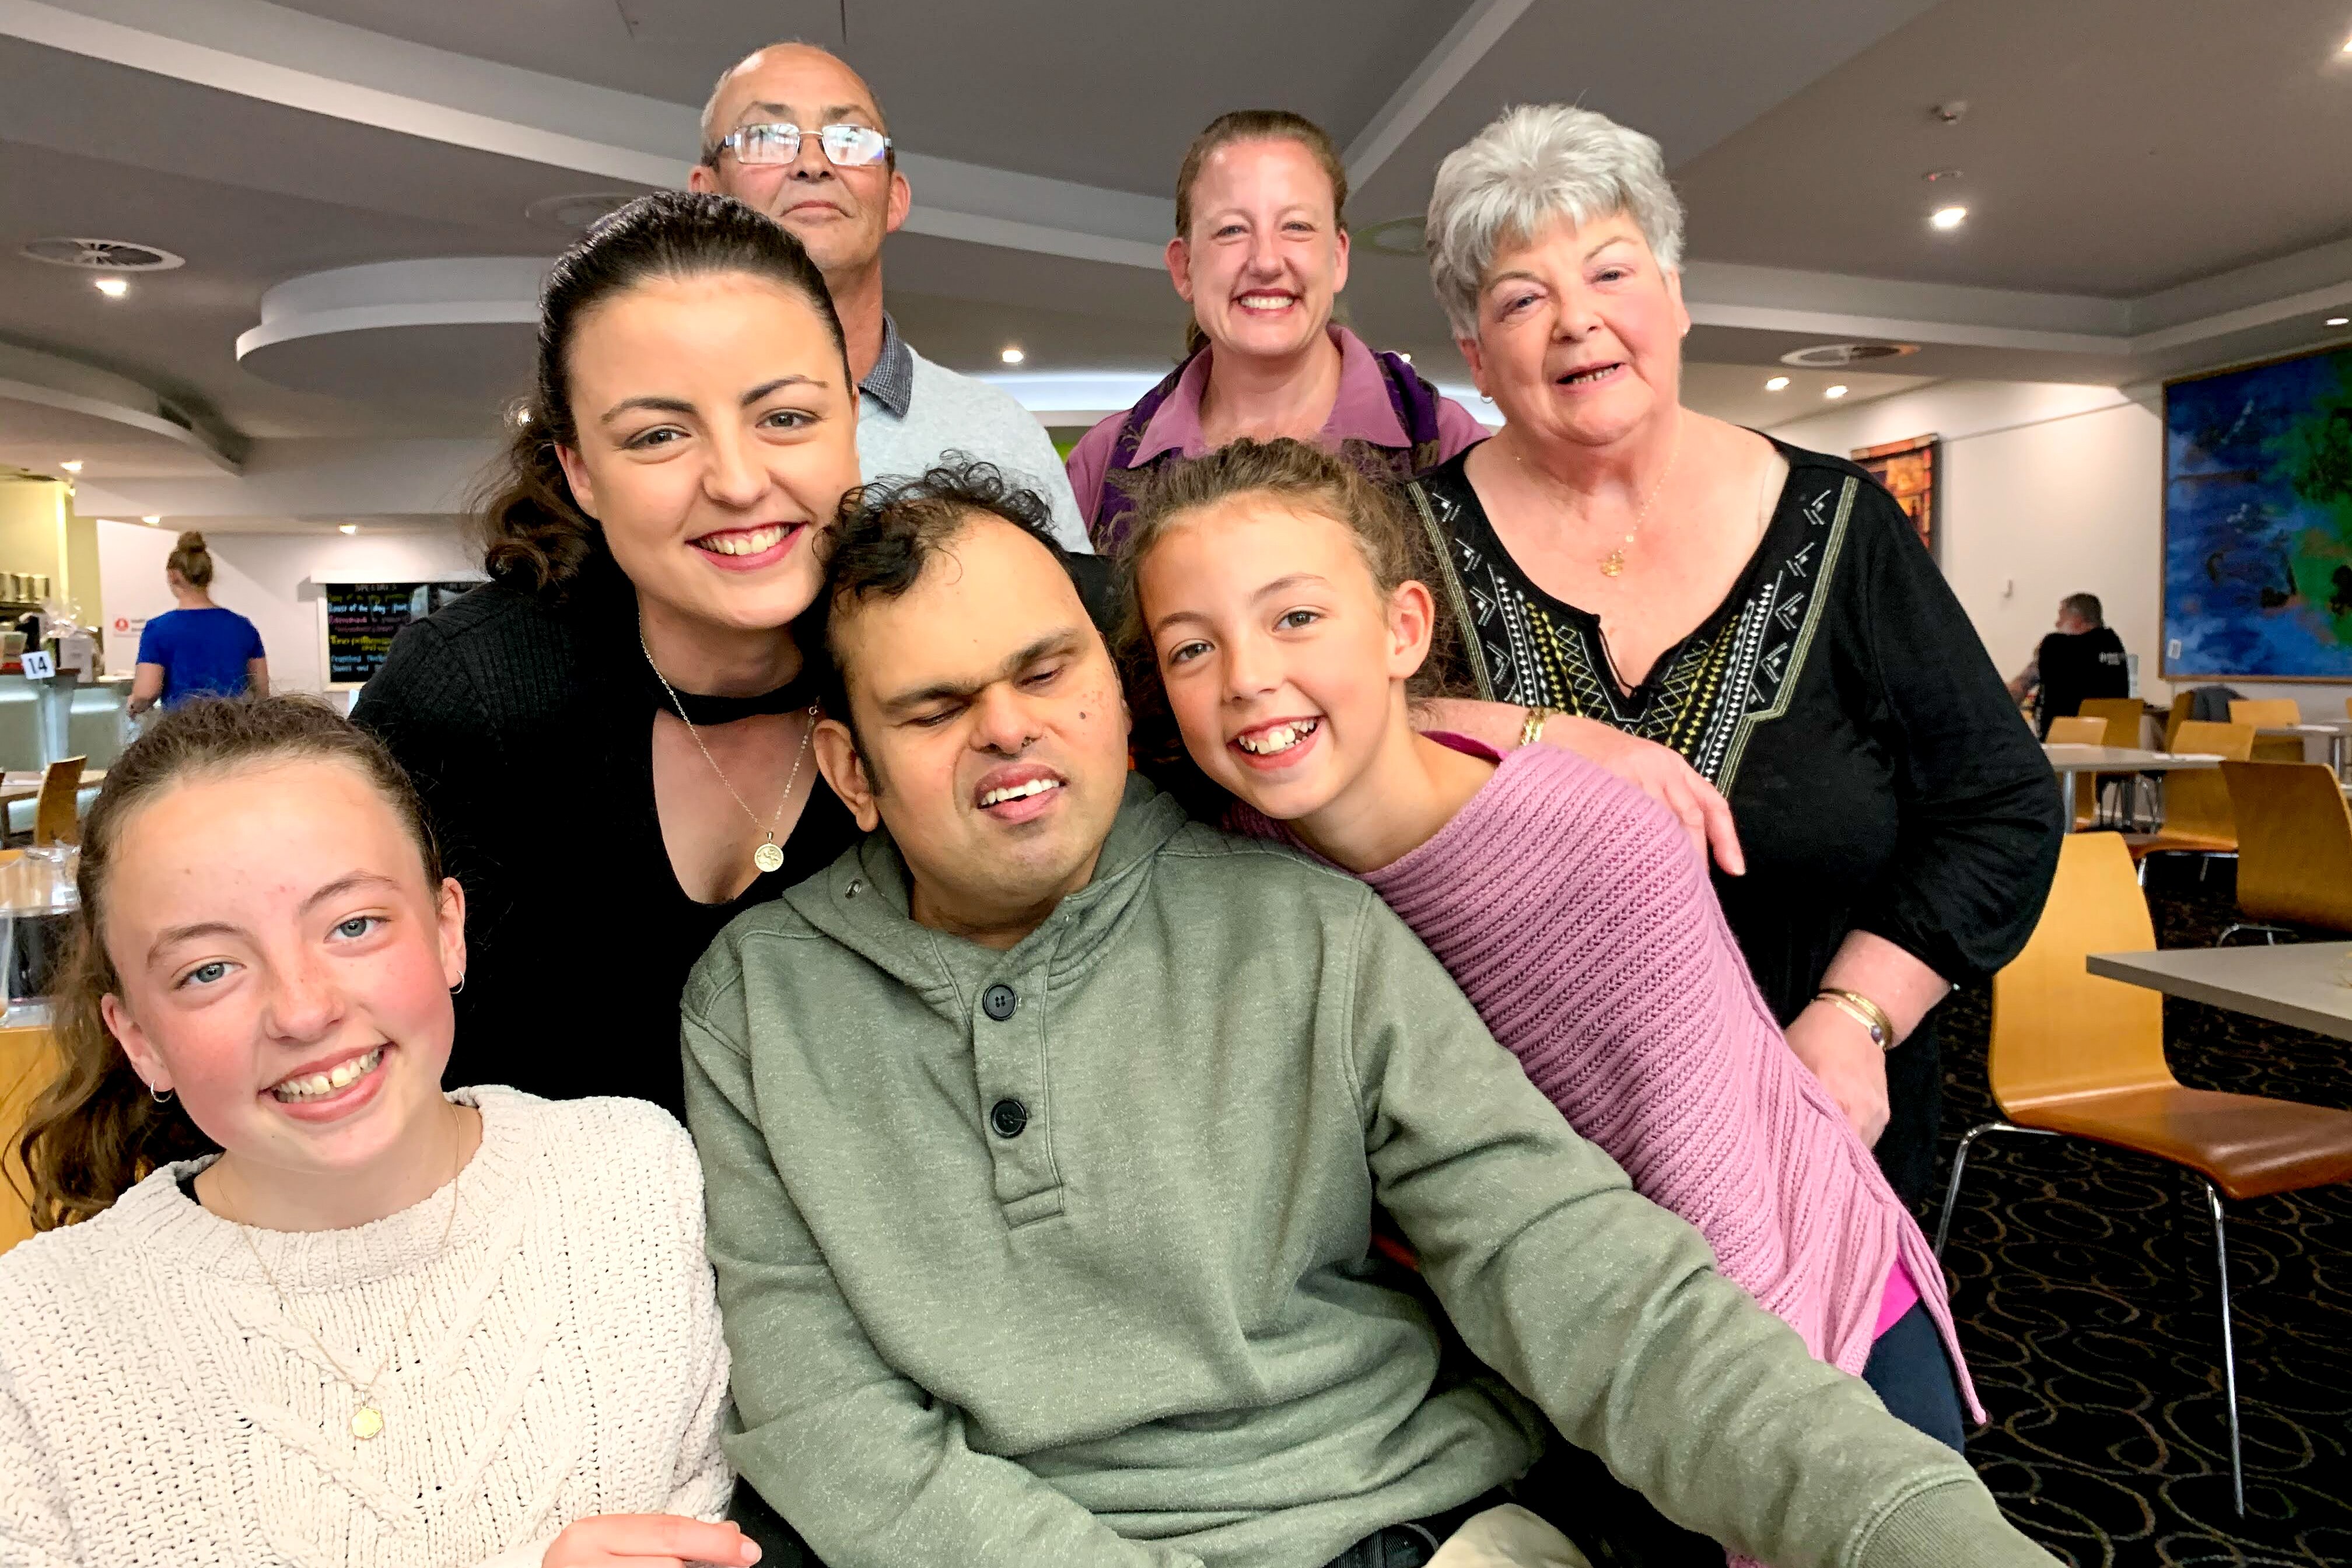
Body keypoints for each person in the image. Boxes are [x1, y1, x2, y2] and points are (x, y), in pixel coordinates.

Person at [680, 464, 2062, 1568]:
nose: (1007, 728)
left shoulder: (1310, 923)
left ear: (1109, 692)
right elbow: (825, 1418)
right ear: (850, 770)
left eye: (1045, 672)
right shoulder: (756, 1002)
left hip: (1407, 1526)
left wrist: (1915, 1526)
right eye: (935, 707)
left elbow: (1582, 1270)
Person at [1119, 436, 1976, 1449]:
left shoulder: (1595, 853)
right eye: (1192, 648)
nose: (1248, 677)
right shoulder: (1239, 853)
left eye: (1296, 618)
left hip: (1803, 1327)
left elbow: (1717, 1199)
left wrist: (1757, 1461)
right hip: (1564, 1328)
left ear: (1403, 629)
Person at [1404, 104, 2064, 1206]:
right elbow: (1301, 737)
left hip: (1809, 1142)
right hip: (1508, 1172)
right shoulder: (1400, 543)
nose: (1577, 321)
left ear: (1674, 298)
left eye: (1611, 272)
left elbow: (2000, 806)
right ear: (1476, 353)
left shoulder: (1844, 524)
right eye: (1522, 298)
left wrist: (1857, 1016)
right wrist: (1540, 733)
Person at [1, 696, 748, 1568]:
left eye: (353, 925)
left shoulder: (634, 1183)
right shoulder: (36, 1334)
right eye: (209, 970)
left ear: (447, 931)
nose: (303, 1010)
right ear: (138, 1038)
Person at [352, 191, 861, 1118]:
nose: (738, 481)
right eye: (659, 435)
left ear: (852, 418)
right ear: (581, 470)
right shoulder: (470, 698)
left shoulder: (935, 668)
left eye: (786, 418)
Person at [689, 41, 1088, 551]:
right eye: (767, 136)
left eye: (850, 138)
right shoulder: (647, 432)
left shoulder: (1000, 435)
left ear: (895, 198)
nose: (813, 163)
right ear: (705, 194)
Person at [1066, 110, 1487, 551]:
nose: (1266, 261)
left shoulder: (1450, 445)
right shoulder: (1100, 465)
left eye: (1296, 227)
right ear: (1183, 268)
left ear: (1339, 257)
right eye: (1231, 230)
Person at [127, 530, 267, 716]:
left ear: (172, 576)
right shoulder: (243, 627)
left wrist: (133, 705)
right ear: (209, 576)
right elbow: (262, 691)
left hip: (183, 727)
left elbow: (146, 692)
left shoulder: (158, 629)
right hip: (233, 726)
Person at [2006, 592, 2129, 737]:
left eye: (2061, 617)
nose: (2057, 624)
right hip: (2114, 742)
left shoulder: (2056, 646)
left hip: (2063, 742)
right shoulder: (2113, 643)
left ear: (2077, 620)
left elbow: (2022, 684)